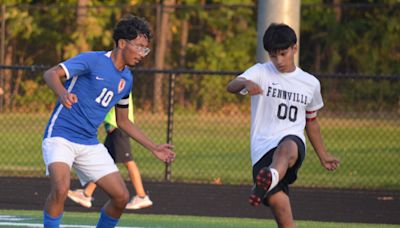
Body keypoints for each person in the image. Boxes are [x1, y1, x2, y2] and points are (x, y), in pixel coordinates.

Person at [41, 15, 175, 228]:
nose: (142, 54)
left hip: (89, 143)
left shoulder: (127, 79)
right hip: (61, 135)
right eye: (139, 47)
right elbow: (51, 74)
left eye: (145, 49)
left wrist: (154, 147)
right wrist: (63, 93)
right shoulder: (92, 60)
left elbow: (123, 121)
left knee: (121, 197)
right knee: (60, 188)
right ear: (122, 43)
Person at [227, 23, 340, 228]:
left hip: (292, 144)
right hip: (262, 150)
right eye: (273, 55)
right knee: (282, 211)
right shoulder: (260, 72)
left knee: (287, 147)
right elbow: (231, 85)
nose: (278, 60)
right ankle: (268, 180)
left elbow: (311, 122)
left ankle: (270, 177)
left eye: (283, 53)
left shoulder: (310, 83)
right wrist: (245, 84)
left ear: (294, 48)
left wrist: (323, 155)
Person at [67, 92, 153, 210]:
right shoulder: (116, 80)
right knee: (103, 163)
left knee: (128, 161)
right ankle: (86, 194)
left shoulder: (119, 82)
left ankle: (142, 196)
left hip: (118, 127)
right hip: (114, 127)